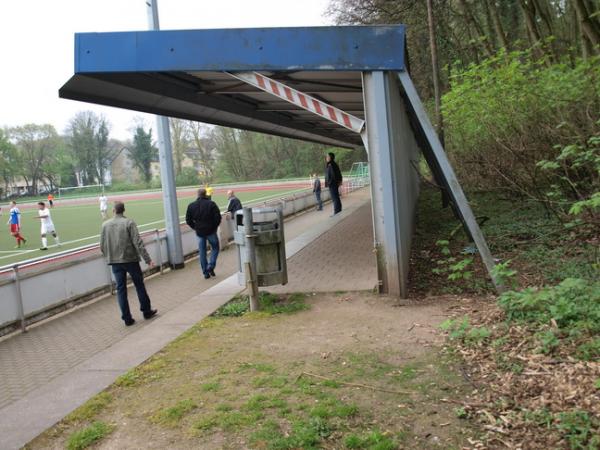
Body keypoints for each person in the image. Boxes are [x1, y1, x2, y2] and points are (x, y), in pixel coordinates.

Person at [100, 201, 157, 326]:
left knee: (121, 289)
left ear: (114, 210)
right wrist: (148, 260)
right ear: (123, 210)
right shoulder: (129, 223)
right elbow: (138, 243)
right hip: (130, 259)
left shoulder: (105, 225)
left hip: (115, 261)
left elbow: (102, 246)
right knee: (139, 285)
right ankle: (146, 311)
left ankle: (127, 318)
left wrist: (109, 257)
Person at [186, 188, 222, 279]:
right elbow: (218, 218)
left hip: (199, 232)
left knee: (202, 252)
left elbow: (188, 220)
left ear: (197, 195)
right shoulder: (211, 204)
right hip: (211, 231)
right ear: (206, 194)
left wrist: (195, 227)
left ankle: (205, 272)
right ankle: (211, 266)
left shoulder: (191, 206)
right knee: (215, 248)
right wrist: (214, 227)